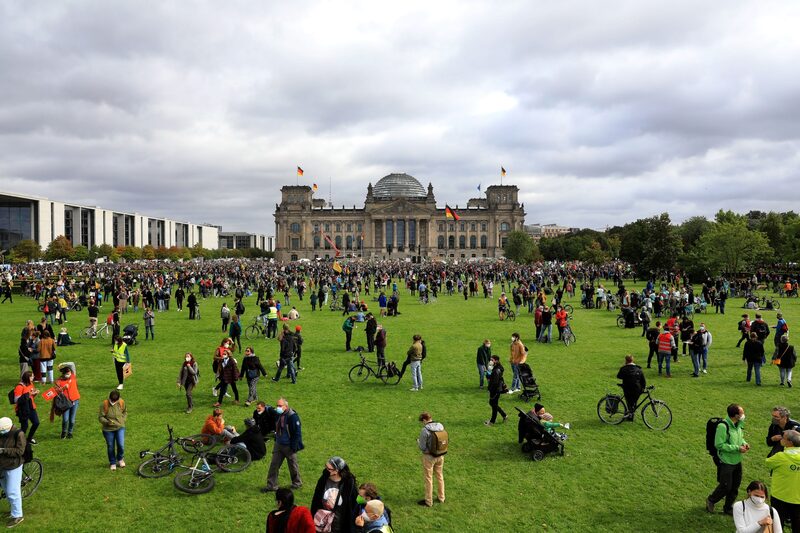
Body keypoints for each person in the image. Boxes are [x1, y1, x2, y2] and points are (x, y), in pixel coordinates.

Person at [707, 404, 749, 515]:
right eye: (742, 413)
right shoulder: (723, 426)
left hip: (737, 460)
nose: (744, 415)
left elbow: (740, 437)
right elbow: (719, 444)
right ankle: (711, 500)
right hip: (726, 461)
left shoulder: (738, 424)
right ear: (736, 415)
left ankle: (728, 507)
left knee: (735, 486)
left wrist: (744, 444)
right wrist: (737, 448)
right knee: (726, 486)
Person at [263, 397, 304, 492]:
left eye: (280, 406)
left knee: (293, 465)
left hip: (289, 445)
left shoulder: (293, 417)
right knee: (274, 465)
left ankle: (297, 483)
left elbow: (297, 433)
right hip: (279, 444)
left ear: (286, 406)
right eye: (277, 405)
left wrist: (293, 446)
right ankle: (271, 486)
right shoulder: (278, 414)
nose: (278, 407)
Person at [310, 456, 358, 533]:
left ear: (337, 471)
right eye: (326, 466)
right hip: (322, 520)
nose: (326, 470)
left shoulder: (348, 483)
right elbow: (316, 498)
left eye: (329, 469)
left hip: (338, 523)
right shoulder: (324, 478)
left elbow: (353, 503)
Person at [765, 429, 800, 531]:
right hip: (798, 498)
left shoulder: (781, 457)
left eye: (783, 437)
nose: (781, 438)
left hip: (780, 496)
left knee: (777, 523)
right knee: (797, 524)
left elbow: (768, 462)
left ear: (790, 442)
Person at [0, 417, 25, 528]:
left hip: (14, 466)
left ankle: (18, 515)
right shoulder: (2, 431)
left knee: (12, 491)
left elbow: (20, 451)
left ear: (8, 428)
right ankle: (13, 511)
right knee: (6, 490)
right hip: (2, 466)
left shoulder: (19, 434)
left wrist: (3, 450)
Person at [417, 412, 445, 507]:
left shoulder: (425, 430)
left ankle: (428, 501)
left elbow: (422, 447)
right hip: (440, 455)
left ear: (424, 420)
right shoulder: (440, 426)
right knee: (440, 476)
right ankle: (441, 497)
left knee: (428, 478)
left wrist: (418, 441)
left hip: (429, 457)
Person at [99, 390, 127, 471]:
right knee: (111, 446)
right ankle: (113, 462)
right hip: (108, 430)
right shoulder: (104, 404)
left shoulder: (121, 402)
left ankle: (120, 459)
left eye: (115, 400)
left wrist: (123, 420)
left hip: (120, 427)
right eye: (112, 400)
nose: (113, 402)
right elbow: (100, 417)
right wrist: (107, 422)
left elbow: (125, 412)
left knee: (121, 445)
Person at [13, 372, 39, 445]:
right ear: (27, 377)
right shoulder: (19, 387)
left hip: (31, 407)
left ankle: (29, 439)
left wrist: (35, 394)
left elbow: (30, 397)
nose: (33, 378)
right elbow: (17, 400)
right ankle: (19, 441)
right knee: (24, 426)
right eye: (31, 377)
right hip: (22, 409)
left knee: (36, 423)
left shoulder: (31, 384)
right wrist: (29, 394)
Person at [617, 355, 645, 420]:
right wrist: (642, 388)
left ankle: (630, 415)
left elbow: (619, 376)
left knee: (629, 402)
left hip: (627, 388)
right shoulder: (638, 369)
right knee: (634, 403)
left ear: (626, 361)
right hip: (637, 389)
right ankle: (631, 415)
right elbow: (643, 381)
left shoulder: (623, 369)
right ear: (632, 360)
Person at [55, 365, 80, 438]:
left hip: (75, 400)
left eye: (69, 373)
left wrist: (62, 364)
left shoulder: (73, 376)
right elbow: (56, 391)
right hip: (65, 403)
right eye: (67, 374)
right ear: (64, 374)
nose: (69, 375)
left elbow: (72, 364)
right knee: (65, 419)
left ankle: (70, 433)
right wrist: (63, 388)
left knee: (72, 420)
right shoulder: (59, 381)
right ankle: (64, 432)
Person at [485, 355, 507, 426]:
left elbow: (494, 382)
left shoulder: (496, 370)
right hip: (496, 389)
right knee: (493, 404)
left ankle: (492, 422)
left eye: (492, 360)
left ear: (496, 361)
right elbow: (490, 378)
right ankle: (504, 415)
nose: (491, 361)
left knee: (493, 405)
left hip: (495, 390)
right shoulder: (497, 368)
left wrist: (490, 389)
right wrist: (488, 372)